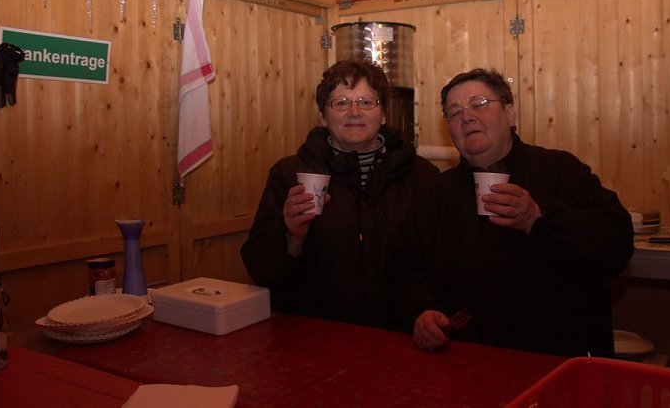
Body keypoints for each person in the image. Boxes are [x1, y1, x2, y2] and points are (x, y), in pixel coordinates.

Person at [390, 68, 633, 357]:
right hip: (468, 362)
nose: (466, 117)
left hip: (557, 362)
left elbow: (616, 245)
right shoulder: (436, 193)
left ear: (510, 113)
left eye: (479, 104)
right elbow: (408, 269)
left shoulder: (560, 171)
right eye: (454, 112)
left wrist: (539, 220)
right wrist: (424, 312)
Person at [241, 59, 440, 329]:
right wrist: (291, 236)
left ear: (383, 114)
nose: (354, 112)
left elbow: (440, 264)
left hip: (401, 336)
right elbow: (262, 271)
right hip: (313, 337)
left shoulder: (421, 176)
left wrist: (427, 312)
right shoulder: (290, 174)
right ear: (323, 116)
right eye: (342, 103)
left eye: (366, 102)